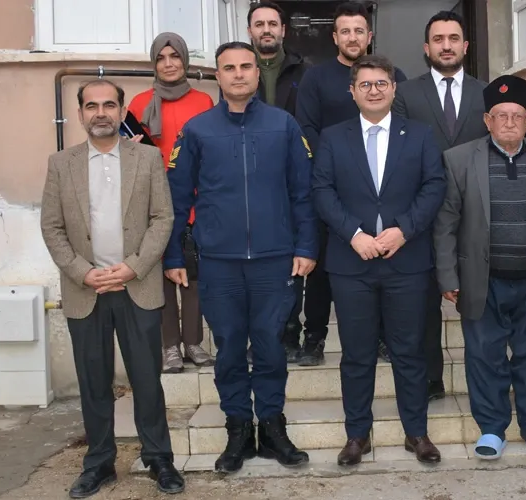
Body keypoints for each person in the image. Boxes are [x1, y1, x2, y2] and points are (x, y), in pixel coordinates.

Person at [164, 41, 318, 473]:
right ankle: (237, 430)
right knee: (230, 347)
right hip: (219, 261)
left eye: (246, 66)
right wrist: (173, 255)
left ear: (256, 72)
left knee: (270, 346)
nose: (238, 74)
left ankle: (271, 428)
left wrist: (306, 246)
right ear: (217, 75)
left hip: (274, 259)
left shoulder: (284, 125)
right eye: (228, 68)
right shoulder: (197, 130)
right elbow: (177, 200)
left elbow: (303, 193)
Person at [40, 78, 184, 497]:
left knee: (147, 379)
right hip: (86, 291)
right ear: (80, 114)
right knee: (94, 382)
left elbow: (163, 218)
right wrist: (82, 272)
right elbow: (52, 226)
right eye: (92, 106)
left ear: (122, 112)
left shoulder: (148, 157)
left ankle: (159, 459)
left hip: (136, 286)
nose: (100, 113)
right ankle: (99, 463)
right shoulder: (60, 163)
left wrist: (133, 268)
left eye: (108, 105)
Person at [312, 54, 446, 466]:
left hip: (407, 261)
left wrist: (403, 229)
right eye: (365, 84)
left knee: (409, 351)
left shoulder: (419, 134)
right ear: (352, 92)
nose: (374, 91)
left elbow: (434, 186)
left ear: (393, 88)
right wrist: (354, 234)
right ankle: (357, 436)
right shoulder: (333, 137)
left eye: (381, 83)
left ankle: (416, 433)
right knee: (356, 354)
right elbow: (322, 191)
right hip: (351, 263)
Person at [433, 75, 526, 460]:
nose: (509, 123)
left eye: (517, 116)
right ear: (487, 120)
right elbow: (445, 225)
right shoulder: (459, 159)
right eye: (501, 116)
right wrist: (447, 276)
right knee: (484, 356)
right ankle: (492, 429)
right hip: (482, 280)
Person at [294, 1, 408, 366]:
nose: (352, 37)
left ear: (369, 35)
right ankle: (314, 337)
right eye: (345, 31)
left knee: (381, 263)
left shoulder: (392, 75)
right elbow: (307, 128)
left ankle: (382, 337)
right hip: (330, 188)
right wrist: (330, 170)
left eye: (359, 30)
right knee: (323, 267)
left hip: (380, 189)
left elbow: (402, 126)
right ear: (334, 37)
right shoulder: (315, 78)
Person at [392, 10, 488, 401]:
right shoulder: (405, 94)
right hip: (422, 213)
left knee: (481, 300)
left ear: (465, 46)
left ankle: (486, 379)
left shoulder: (487, 93)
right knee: (423, 303)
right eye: (438, 39)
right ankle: (431, 376)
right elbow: (399, 152)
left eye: (453, 39)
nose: (446, 46)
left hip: (478, 213)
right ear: (426, 47)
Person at [127, 32, 215, 374]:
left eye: (174, 56)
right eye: (161, 58)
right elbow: (125, 155)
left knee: (192, 272)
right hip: (152, 200)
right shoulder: (139, 104)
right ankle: (169, 347)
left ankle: (193, 342)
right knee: (160, 273)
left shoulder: (204, 102)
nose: (168, 64)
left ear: (185, 60)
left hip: (193, 198)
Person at [246, 0, 313, 363]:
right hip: (250, 180)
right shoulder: (239, 70)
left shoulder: (305, 71)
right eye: (260, 24)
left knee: (292, 259)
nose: (266, 30)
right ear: (250, 31)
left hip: (292, 178)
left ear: (283, 30)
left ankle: (289, 332)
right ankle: (261, 334)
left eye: (273, 23)